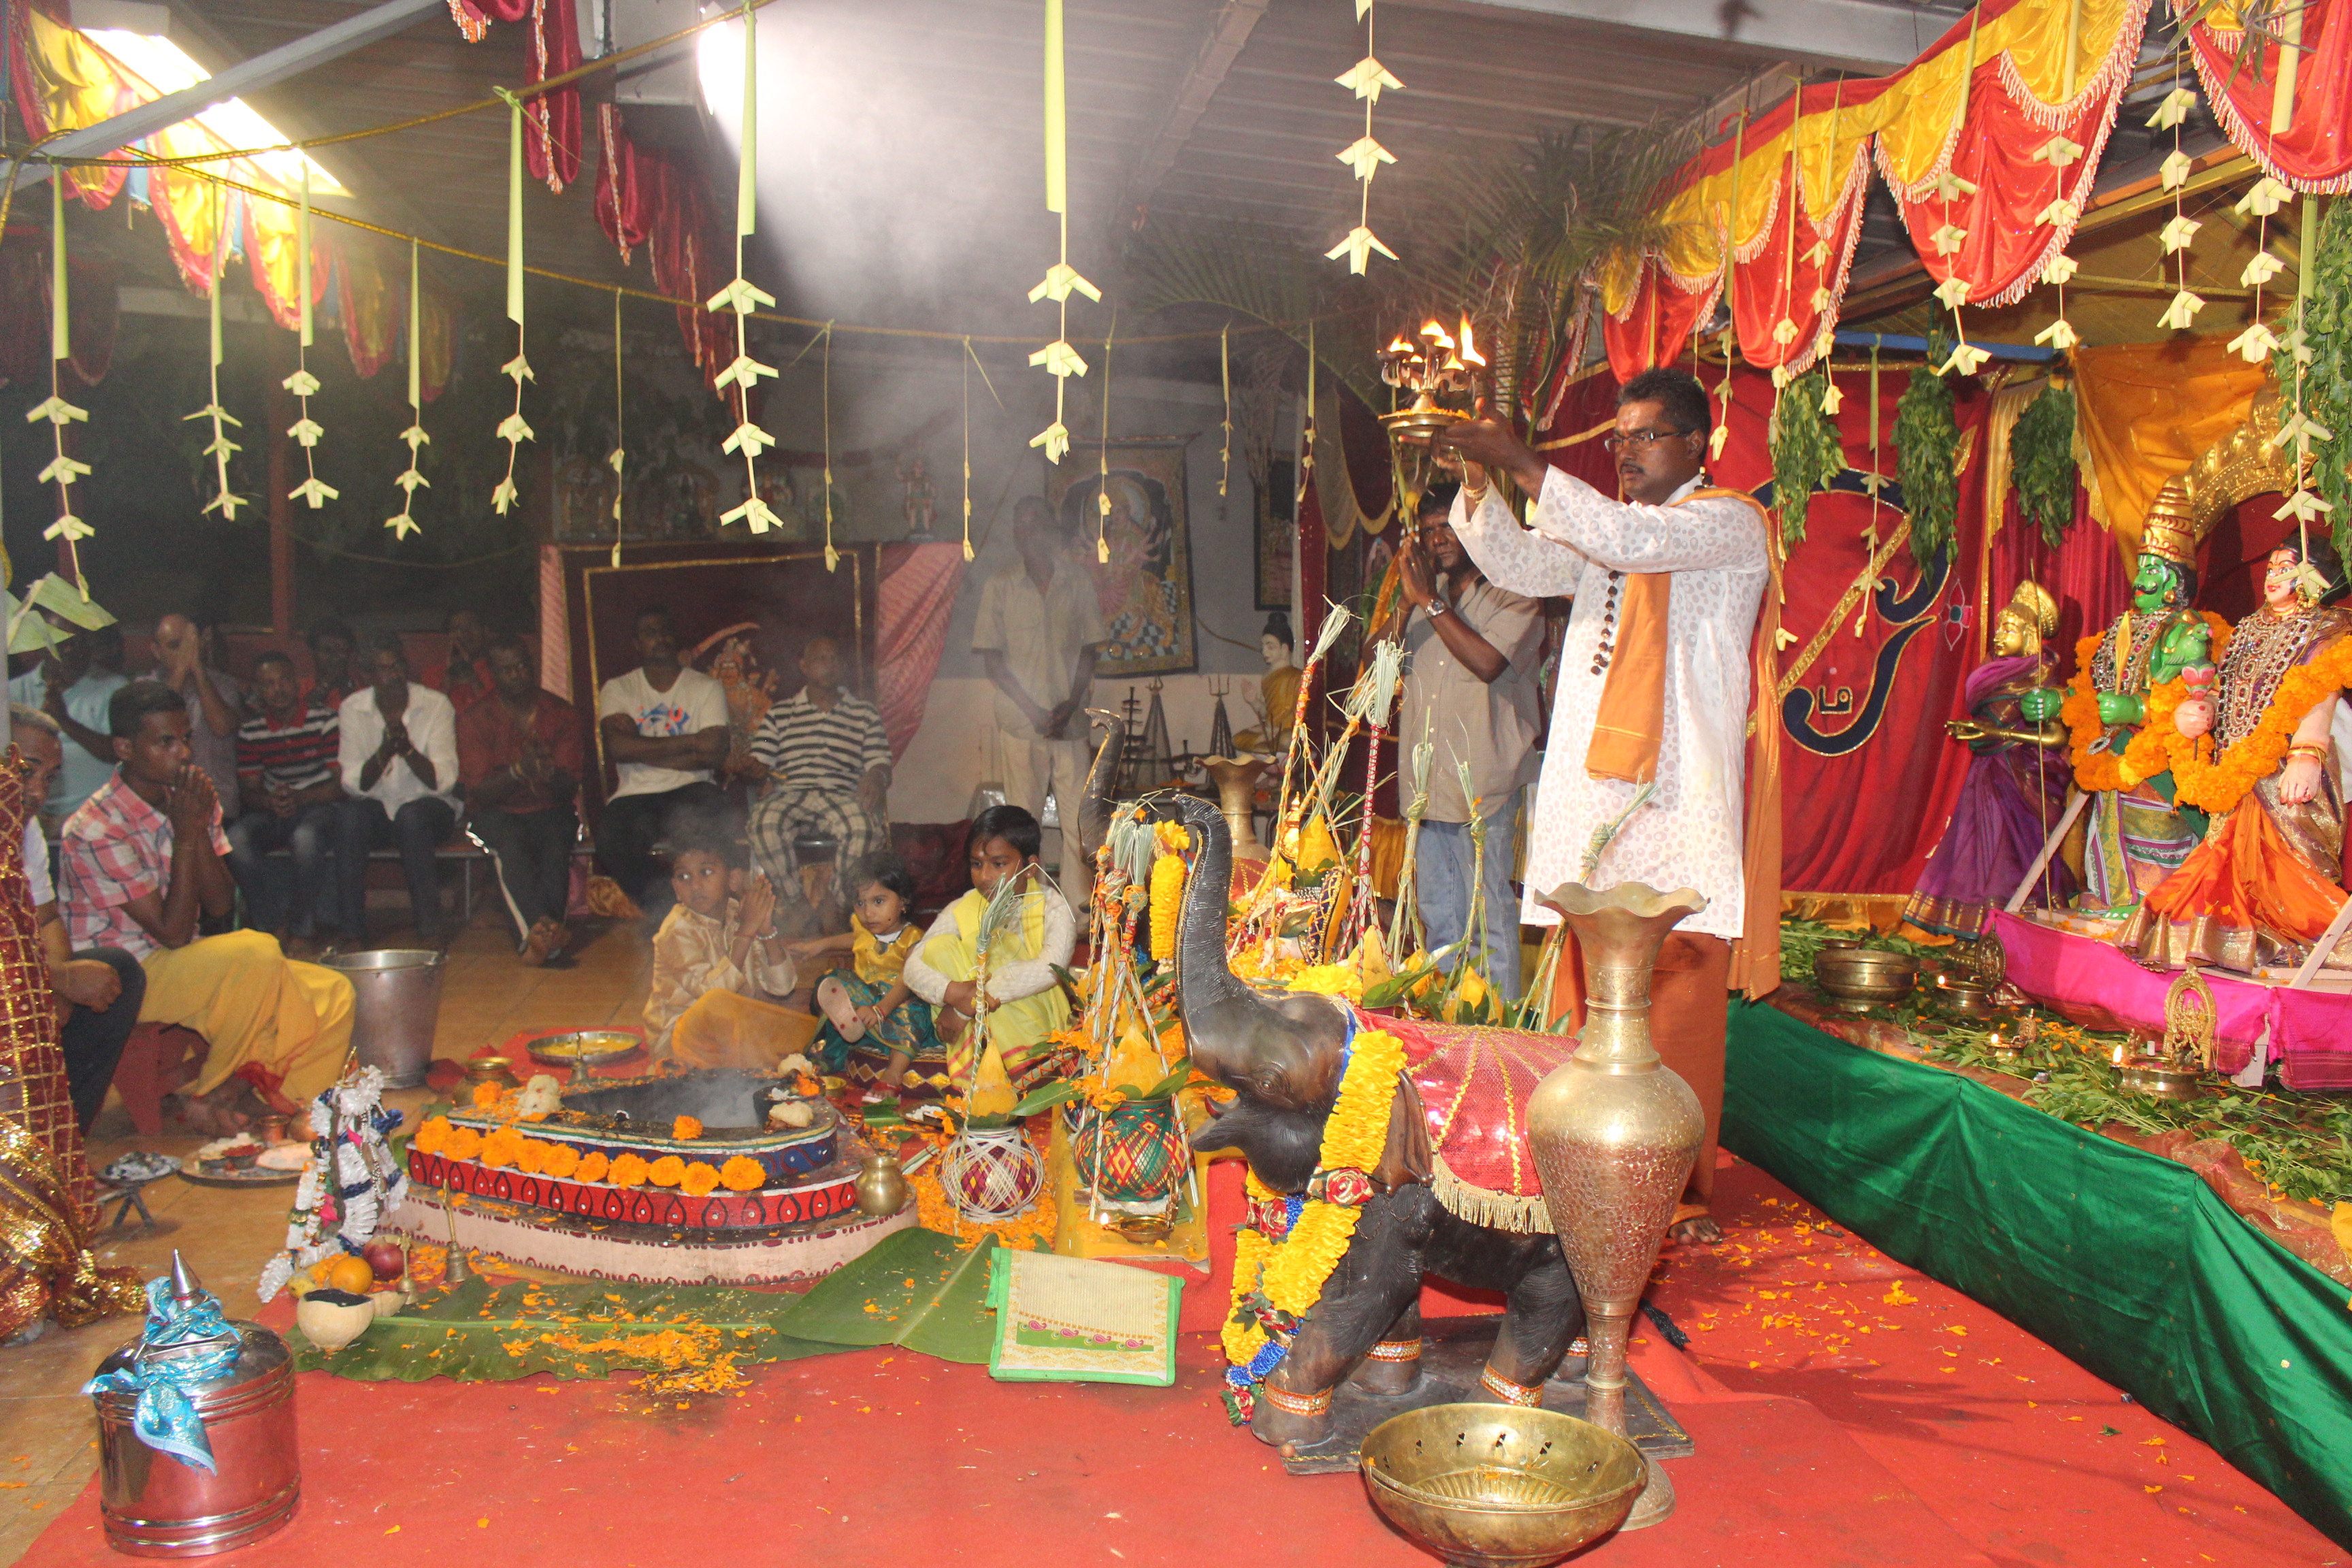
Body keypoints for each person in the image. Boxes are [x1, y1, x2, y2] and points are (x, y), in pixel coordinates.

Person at [1437, 367, 1778, 1245]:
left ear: (1698, 444)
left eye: (1643, 436)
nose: (1625, 451)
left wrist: (1519, 458)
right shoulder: (1606, 533)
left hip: (1677, 790)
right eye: (1616, 438)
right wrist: (1480, 485)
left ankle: (1680, 1189)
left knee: (1679, 983)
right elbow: (1518, 558)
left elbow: (1628, 538)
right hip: (1593, 781)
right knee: (1585, 972)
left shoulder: (1729, 523)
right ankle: (1575, 1157)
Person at [60, 681, 355, 1133]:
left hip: (183, 961)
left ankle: (269, 1100)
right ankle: (215, 1093)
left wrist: (195, 830)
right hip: (127, 977)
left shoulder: (192, 797)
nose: (183, 753)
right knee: (256, 952)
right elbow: (172, 932)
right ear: (124, 748)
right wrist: (184, 835)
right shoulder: (97, 827)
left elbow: (219, 904)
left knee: (333, 991)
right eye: (165, 742)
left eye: (186, 738)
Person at [2119, 537, 2352, 972]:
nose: (2272, 574)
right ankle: (2225, 943)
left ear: (2314, 578)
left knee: (2288, 874)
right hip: (2236, 768)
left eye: (2286, 566)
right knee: (2222, 866)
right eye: (2271, 565)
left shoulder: (2329, 628)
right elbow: (2223, 691)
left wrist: (2308, 751)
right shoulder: (2249, 627)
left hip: (2287, 765)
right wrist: (2198, 709)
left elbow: (2322, 693)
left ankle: (2305, 944)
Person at [1392, 480, 1544, 996]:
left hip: (1484, 786)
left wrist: (1429, 602)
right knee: (1438, 916)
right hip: (1426, 786)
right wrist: (1402, 601)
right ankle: (1449, 1028)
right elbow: (1376, 664)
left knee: (1488, 919)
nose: (1439, 540)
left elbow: (1486, 662)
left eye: (1450, 526)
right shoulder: (1419, 599)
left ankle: (1499, 1043)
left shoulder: (1517, 592)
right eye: (1430, 531)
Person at [1900, 581, 2074, 941]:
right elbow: (1990, 725)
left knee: (2009, 859)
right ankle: (1980, 935)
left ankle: (2013, 940)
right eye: (1998, 628)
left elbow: (2057, 737)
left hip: (2024, 779)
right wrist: (1979, 732)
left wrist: (2003, 736)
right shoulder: (1992, 673)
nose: (1999, 635)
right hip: (1987, 773)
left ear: (2029, 635)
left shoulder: (2042, 674)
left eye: (2009, 629)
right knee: (1975, 857)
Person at [2070, 486, 2214, 915]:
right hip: (2114, 752)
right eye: (2143, 565)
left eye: (2153, 566)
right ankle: (2118, 895)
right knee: (2110, 821)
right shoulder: (2120, 628)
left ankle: (2156, 901)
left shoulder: (2187, 628)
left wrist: (2139, 709)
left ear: (2174, 578)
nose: (2142, 576)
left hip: (2162, 760)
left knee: (2151, 826)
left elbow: (2196, 699)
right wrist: (2062, 702)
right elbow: (2092, 691)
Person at [13, 706, 144, 1132]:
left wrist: (62, 981)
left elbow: (46, 918)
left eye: (48, 778)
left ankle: (65, 1143)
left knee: (116, 971)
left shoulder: (24, 827)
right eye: (24, 771)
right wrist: (54, 980)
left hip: (22, 979)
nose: (36, 791)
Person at [973, 497, 1106, 898]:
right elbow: (993, 661)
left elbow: (1090, 649)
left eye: (1037, 523)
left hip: (1071, 722)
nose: (1028, 532)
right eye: (1021, 525)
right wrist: (1033, 710)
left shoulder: (1078, 581)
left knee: (1077, 823)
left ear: (1052, 531)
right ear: (1015, 534)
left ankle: (1079, 913)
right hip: (1020, 722)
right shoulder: (1000, 585)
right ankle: (1026, 906)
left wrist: (1070, 704)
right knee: (1022, 825)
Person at [901, 804, 1075, 1093]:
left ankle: (1019, 1067)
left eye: (998, 864)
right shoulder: (964, 905)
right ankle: (981, 1065)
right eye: (976, 864)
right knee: (939, 948)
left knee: (997, 954)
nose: (985, 876)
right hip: (974, 1013)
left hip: (1035, 1023)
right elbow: (914, 966)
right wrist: (954, 993)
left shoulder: (1053, 907)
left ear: (1031, 866)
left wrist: (966, 1008)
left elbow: (1051, 969)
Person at [595, 605, 734, 919]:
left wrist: (643, 746)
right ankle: (671, 914)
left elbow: (714, 753)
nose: (659, 639)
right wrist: (692, 743)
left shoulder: (705, 687)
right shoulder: (618, 689)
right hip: (635, 794)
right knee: (611, 839)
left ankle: (714, 913)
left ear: (676, 638)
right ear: (637, 644)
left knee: (714, 822)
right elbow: (619, 748)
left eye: (665, 631)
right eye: (649, 633)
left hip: (693, 788)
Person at [459, 634, 586, 967]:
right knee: (511, 846)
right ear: (493, 675)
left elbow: (568, 787)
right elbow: (478, 792)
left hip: (551, 808)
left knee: (557, 843)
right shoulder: (476, 717)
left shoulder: (560, 713)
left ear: (533, 667)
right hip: (496, 813)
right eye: (506, 670)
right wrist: (518, 772)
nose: (516, 675)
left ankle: (542, 936)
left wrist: (545, 772)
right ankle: (540, 937)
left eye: (521, 667)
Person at [642, 835, 811, 1066]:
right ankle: (765, 1071)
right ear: (676, 889)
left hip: (735, 1030)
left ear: (733, 879)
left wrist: (765, 930)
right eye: (684, 877)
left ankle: (770, 1063)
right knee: (720, 1005)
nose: (695, 885)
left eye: (706, 872)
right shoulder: (676, 929)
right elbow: (711, 995)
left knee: (804, 1020)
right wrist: (747, 931)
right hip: (683, 1042)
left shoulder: (738, 914)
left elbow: (782, 987)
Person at [335, 632, 460, 945]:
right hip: (377, 805)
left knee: (412, 817)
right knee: (349, 818)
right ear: (367, 676)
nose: (394, 676)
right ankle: (352, 933)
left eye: (398, 666)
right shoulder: (352, 708)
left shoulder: (435, 705)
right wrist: (384, 752)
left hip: (429, 806)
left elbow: (443, 781)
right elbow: (353, 784)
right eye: (384, 669)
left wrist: (407, 751)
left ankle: (429, 929)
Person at [745, 636, 893, 893]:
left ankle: (836, 903)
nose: (829, 664)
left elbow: (880, 762)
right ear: (804, 666)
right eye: (820, 658)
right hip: (791, 794)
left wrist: (876, 777)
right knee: (763, 825)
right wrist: (756, 769)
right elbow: (760, 756)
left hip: (843, 795)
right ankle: (795, 902)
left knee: (863, 829)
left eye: (835, 658)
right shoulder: (778, 714)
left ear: (843, 666)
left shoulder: (865, 714)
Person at [227, 651, 346, 958]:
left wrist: (300, 797)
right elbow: (248, 791)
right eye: (268, 684)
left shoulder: (324, 720)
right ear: (258, 691)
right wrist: (271, 802)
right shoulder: (252, 730)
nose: (277, 690)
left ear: (297, 684)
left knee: (306, 838)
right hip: (274, 808)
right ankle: (270, 927)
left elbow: (340, 785)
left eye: (283, 681)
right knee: (236, 839)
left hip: (317, 805)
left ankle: (302, 930)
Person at [798, 851, 940, 1102]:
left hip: (898, 1003)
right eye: (860, 903)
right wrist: (820, 946)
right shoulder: (865, 930)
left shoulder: (913, 940)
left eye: (878, 901)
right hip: (867, 1002)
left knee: (914, 1012)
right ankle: (835, 1048)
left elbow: (906, 983)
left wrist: (880, 1010)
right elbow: (852, 940)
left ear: (904, 901)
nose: (868, 913)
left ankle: (894, 1074)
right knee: (832, 979)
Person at [9, 622, 127, 827]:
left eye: (76, 641)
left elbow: (121, 753)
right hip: (26, 819)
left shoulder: (115, 689)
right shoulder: (11, 692)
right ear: (40, 644)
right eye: (59, 641)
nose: (68, 649)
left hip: (97, 822)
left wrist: (63, 720)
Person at [150, 611, 244, 825]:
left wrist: (198, 669)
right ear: (156, 651)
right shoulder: (145, 688)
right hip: (163, 808)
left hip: (218, 807)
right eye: (176, 646)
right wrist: (183, 669)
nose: (185, 653)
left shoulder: (225, 686)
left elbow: (222, 727)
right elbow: (158, 725)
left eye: (189, 645)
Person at [1231, 612, 1302, 755]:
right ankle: (1267, 738)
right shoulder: (1267, 676)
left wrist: (1281, 729)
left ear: (1284, 649)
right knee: (1238, 739)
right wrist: (1254, 702)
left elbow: (1302, 715)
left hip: (1287, 732)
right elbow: (1267, 713)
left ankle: (1270, 739)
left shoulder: (1297, 676)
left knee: (1287, 741)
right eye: (1263, 646)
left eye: (1270, 647)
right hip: (1271, 730)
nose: (1264, 651)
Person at [429, 608, 495, 715]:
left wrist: (470, 674)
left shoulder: (499, 670)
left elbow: (496, 716)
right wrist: (450, 674)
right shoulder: (433, 674)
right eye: (457, 629)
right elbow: (429, 717)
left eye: (472, 627)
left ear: (486, 631)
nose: (465, 634)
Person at [304, 617, 361, 713]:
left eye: (340, 650)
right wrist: (326, 684)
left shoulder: (361, 687)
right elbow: (296, 718)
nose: (334, 657)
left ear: (350, 654)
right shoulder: (300, 688)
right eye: (326, 650)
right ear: (313, 653)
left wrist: (345, 686)